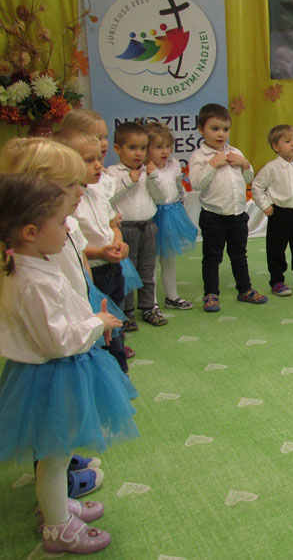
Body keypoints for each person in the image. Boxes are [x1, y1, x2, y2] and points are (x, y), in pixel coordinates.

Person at [0, 174, 138, 554]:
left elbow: (61, 314)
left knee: (57, 457)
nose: (68, 228)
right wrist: (97, 323)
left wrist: (91, 318)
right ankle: (57, 526)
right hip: (53, 374)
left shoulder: (36, 266)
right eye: (61, 222)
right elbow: (56, 341)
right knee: (55, 457)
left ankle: (56, 506)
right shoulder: (33, 281)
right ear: (31, 232)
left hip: (56, 371)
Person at [0, 138, 110, 499]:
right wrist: (92, 323)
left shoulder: (55, 227)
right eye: (69, 185)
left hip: (72, 320)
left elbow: (75, 272)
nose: (80, 191)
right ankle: (54, 490)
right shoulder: (38, 244)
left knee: (63, 416)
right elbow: (48, 313)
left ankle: (60, 464)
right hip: (56, 346)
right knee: (50, 415)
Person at [55, 129, 131, 373]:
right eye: (89, 160)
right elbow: (73, 251)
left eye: (99, 158)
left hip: (112, 267)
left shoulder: (98, 191)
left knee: (115, 317)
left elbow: (112, 223)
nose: (99, 165)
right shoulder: (70, 203)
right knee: (97, 322)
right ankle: (107, 365)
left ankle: (118, 359)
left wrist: (119, 242)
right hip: (93, 273)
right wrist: (100, 253)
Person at [189, 103, 267, 312]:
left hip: (238, 214)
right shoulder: (200, 156)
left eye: (225, 129)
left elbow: (249, 178)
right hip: (213, 216)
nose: (221, 134)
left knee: (239, 255)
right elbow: (196, 183)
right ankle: (211, 294)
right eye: (214, 129)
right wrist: (212, 165)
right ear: (201, 129)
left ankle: (245, 289)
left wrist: (244, 163)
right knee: (212, 257)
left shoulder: (235, 152)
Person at [108, 121, 167, 330]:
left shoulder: (148, 171)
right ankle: (127, 312)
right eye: (132, 148)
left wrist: (153, 177)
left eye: (143, 148)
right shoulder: (112, 173)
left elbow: (160, 198)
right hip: (124, 229)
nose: (139, 153)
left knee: (147, 270)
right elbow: (107, 198)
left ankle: (149, 307)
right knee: (126, 271)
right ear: (117, 149)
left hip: (148, 226)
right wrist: (127, 182)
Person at [252, 124, 293, 297]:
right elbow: (257, 186)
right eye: (287, 141)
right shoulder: (271, 168)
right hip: (279, 214)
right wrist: (265, 205)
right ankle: (277, 281)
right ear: (275, 146)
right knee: (276, 249)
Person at [144, 122, 196, 310]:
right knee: (150, 263)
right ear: (147, 149)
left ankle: (172, 296)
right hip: (153, 216)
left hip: (173, 215)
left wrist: (181, 199)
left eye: (167, 146)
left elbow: (178, 185)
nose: (165, 151)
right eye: (158, 147)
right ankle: (150, 302)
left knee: (169, 259)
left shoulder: (173, 164)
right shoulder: (145, 170)